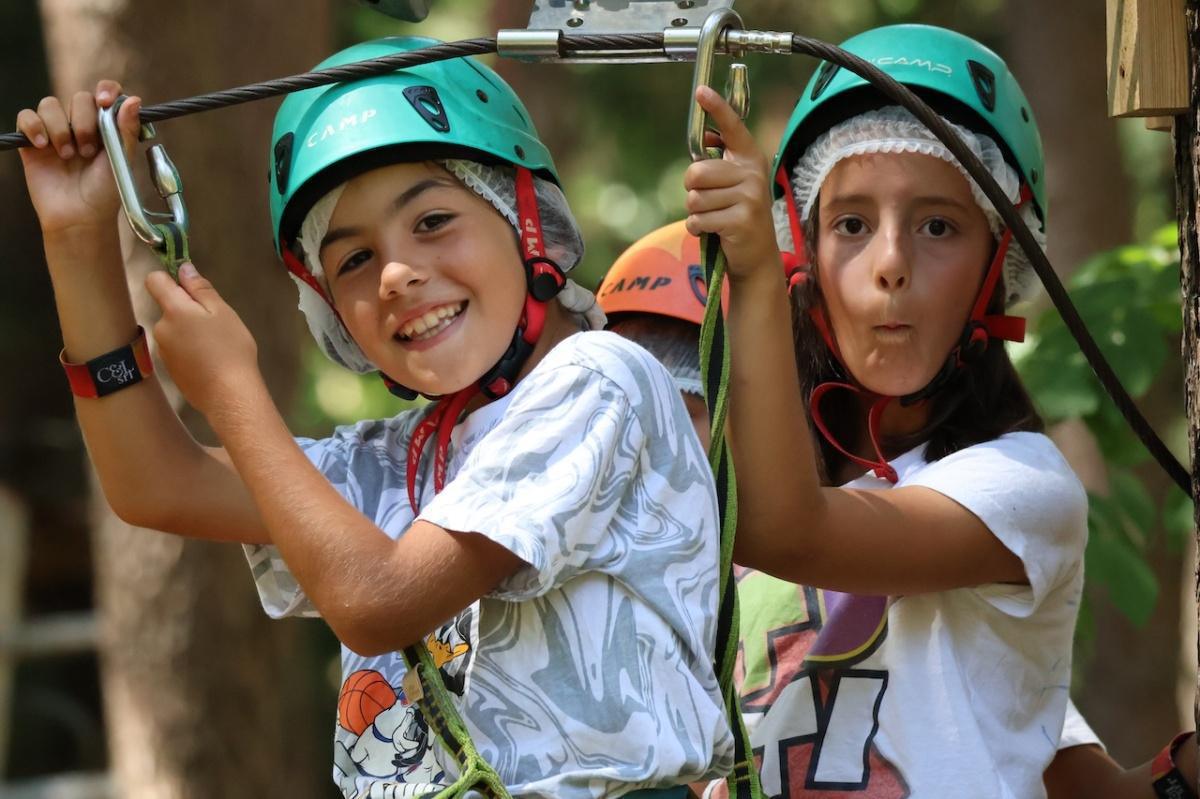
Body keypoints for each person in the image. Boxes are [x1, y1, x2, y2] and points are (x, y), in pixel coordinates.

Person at [16, 35, 733, 798]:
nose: (396, 273)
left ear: (526, 220)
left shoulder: (599, 382)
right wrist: (77, 240)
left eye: (431, 221)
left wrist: (234, 392)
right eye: (353, 260)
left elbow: (379, 601)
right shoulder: (398, 460)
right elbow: (153, 481)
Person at [601, 221, 1198, 799]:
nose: (660, 452)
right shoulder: (651, 593)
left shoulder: (954, 525)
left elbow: (1087, 785)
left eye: (695, 408)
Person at [680, 22, 1090, 796]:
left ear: (999, 260)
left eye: (938, 225)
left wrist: (756, 278)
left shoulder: (1025, 485)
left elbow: (785, 529)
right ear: (808, 250)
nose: (892, 264)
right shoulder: (732, 474)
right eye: (851, 225)